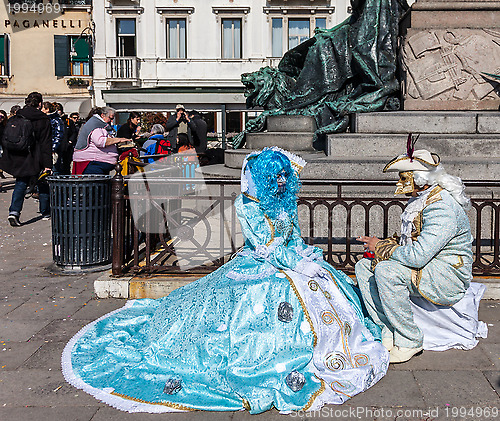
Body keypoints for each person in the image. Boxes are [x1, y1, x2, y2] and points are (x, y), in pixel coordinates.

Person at [62, 147, 388, 413]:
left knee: (324, 284)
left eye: (283, 177)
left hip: (287, 264)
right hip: (260, 267)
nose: (280, 182)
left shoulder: (280, 202)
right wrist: (297, 264)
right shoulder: (249, 206)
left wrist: (305, 255)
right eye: (275, 177)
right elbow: (267, 247)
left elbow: (292, 240)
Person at [355, 147, 475, 363]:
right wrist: (383, 245)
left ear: (418, 179)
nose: (399, 184)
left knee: (386, 271)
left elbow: (418, 256)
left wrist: (381, 246)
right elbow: (412, 241)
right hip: (428, 267)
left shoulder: (441, 207)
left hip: (447, 275)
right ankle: (388, 329)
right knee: (364, 266)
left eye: (404, 177)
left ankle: (410, 340)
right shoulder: (423, 199)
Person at [0, 92, 52, 226]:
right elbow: (46, 143)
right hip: (37, 156)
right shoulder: (43, 119)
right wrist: (48, 164)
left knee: (21, 183)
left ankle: (14, 212)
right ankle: (45, 212)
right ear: (40, 104)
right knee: (43, 182)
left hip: (19, 155)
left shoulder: (18, 116)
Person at [72, 107, 130, 175]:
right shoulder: (96, 126)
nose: (111, 121)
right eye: (110, 118)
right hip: (92, 163)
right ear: (102, 115)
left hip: (97, 163)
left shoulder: (101, 125)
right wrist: (119, 140)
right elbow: (100, 141)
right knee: (96, 184)